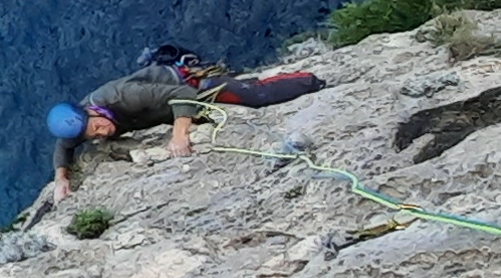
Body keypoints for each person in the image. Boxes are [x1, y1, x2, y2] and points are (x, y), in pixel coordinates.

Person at [46, 44, 323, 191]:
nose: (102, 133)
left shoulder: (123, 97)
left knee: (255, 97)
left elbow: (180, 93)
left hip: (190, 87)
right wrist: (62, 178)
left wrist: (180, 135)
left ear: (93, 111)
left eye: (97, 126)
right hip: (167, 105)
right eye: (93, 135)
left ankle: (311, 81)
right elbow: (63, 147)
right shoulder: (80, 123)